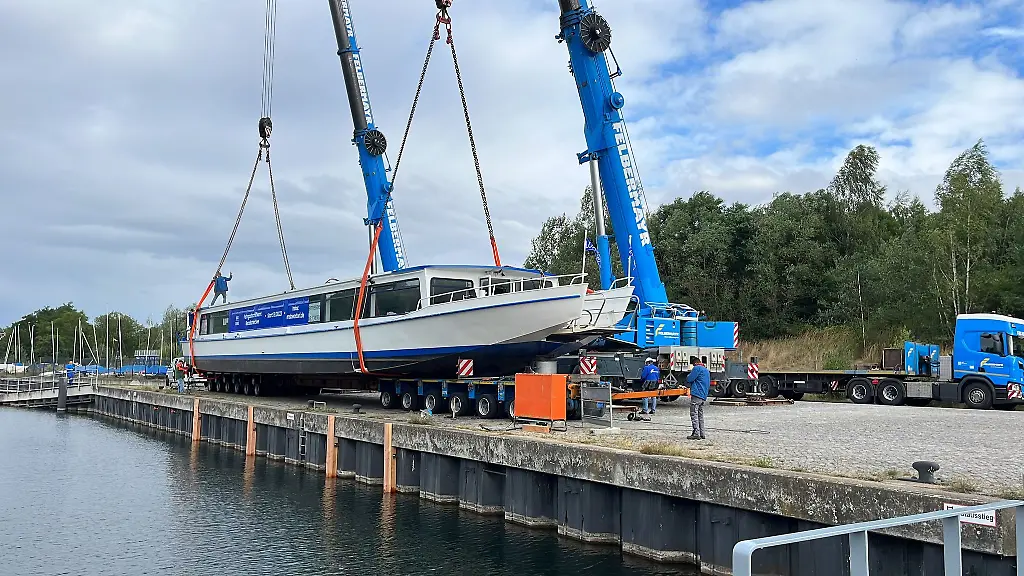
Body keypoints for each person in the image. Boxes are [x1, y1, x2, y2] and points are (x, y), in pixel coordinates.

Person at [686, 356, 710, 440]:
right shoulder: (706, 370)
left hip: (697, 394)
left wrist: (688, 375)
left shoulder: (697, 368)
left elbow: (690, 379)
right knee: (700, 415)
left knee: (694, 413)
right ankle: (702, 433)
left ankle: (696, 433)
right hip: (703, 395)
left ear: (695, 363)